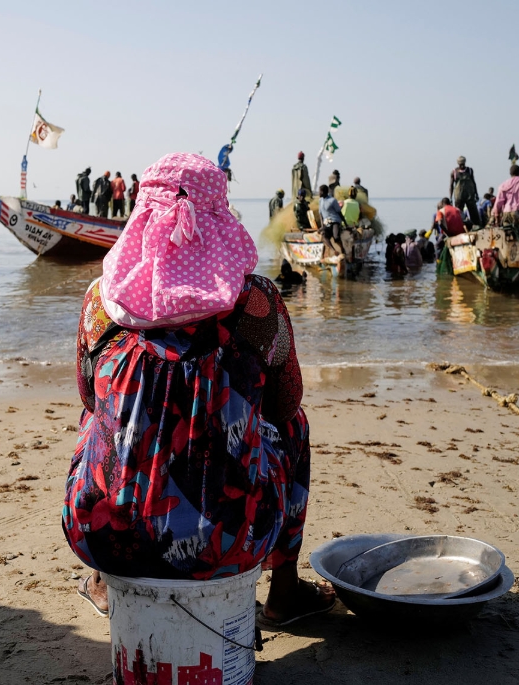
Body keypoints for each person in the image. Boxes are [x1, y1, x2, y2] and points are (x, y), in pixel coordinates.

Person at [66, 152, 334, 626]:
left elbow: (89, 397)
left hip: (106, 534)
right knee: (292, 427)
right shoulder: (259, 304)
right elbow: (286, 403)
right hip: (234, 540)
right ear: (219, 215)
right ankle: (284, 591)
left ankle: (107, 579)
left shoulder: (99, 304)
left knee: (98, 416)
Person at [449, 156, 481, 227]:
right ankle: (459, 227)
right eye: (460, 164)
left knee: (474, 213)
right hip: (459, 197)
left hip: (470, 196)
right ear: (458, 164)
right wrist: (450, 198)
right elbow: (451, 185)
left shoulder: (469, 170)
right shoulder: (454, 172)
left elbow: (473, 182)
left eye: (463, 163)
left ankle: (477, 226)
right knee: (458, 213)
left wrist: (476, 194)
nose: (462, 165)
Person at [318, 184, 345, 254]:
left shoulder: (332, 200)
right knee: (324, 234)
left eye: (320, 191)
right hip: (326, 223)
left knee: (336, 237)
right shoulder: (320, 200)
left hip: (335, 221)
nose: (318, 193)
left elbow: (339, 212)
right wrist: (322, 225)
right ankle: (333, 250)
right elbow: (320, 213)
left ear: (324, 192)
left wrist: (345, 223)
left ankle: (342, 247)